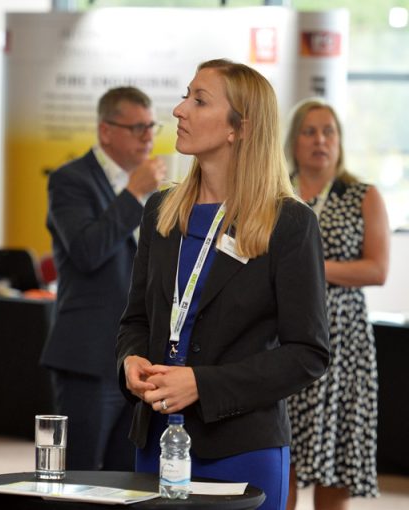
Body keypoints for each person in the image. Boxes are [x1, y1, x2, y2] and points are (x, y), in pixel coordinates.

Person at [116, 59, 330, 510]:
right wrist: (130, 362)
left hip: (241, 449)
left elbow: (308, 353)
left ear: (240, 128)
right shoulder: (161, 210)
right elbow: (136, 319)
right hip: (154, 440)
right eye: (184, 95)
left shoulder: (289, 223)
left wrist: (203, 385)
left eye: (198, 100)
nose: (179, 110)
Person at [41, 86, 167, 471]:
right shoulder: (70, 180)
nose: (148, 136)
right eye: (138, 128)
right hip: (88, 353)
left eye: (151, 126)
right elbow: (87, 251)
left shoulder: (158, 191)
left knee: (126, 476)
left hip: (140, 358)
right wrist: (133, 194)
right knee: (77, 475)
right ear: (106, 130)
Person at [284, 99, 389, 510]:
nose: (320, 140)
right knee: (284, 456)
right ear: (293, 141)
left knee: (335, 460)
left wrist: (314, 267)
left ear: (340, 141)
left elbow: (377, 269)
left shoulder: (363, 194)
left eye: (329, 131)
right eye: (309, 131)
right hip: (283, 338)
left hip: (342, 343)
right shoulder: (277, 192)